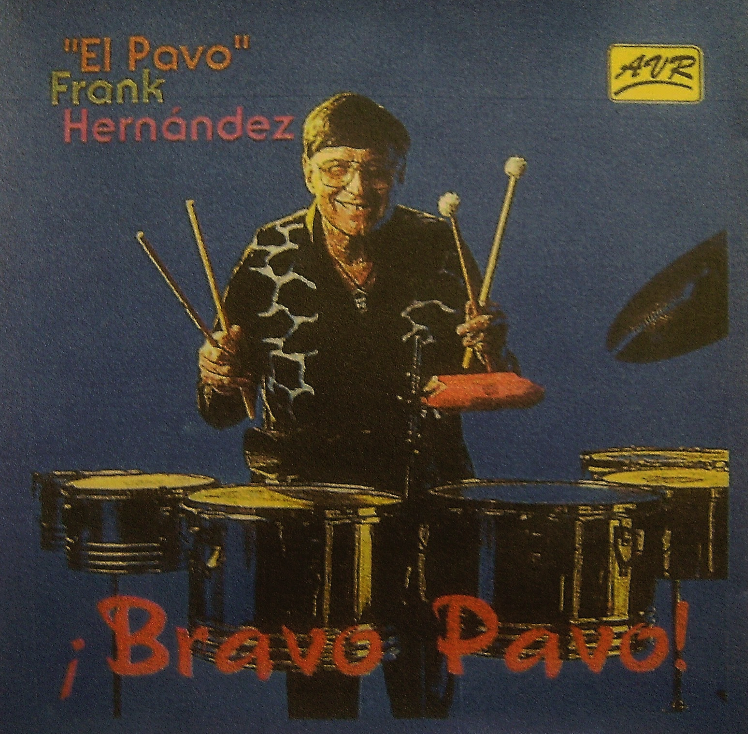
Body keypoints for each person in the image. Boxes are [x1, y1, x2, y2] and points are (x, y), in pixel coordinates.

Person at [197, 92, 516, 495]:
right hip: (298, 497)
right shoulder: (269, 252)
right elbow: (221, 411)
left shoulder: (440, 244)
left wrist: (492, 351)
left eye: (377, 170)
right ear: (308, 173)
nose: (358, 188)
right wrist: (218, 377)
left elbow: (484, 384)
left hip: (425, 492)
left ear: (400, 174)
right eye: (336, 169)